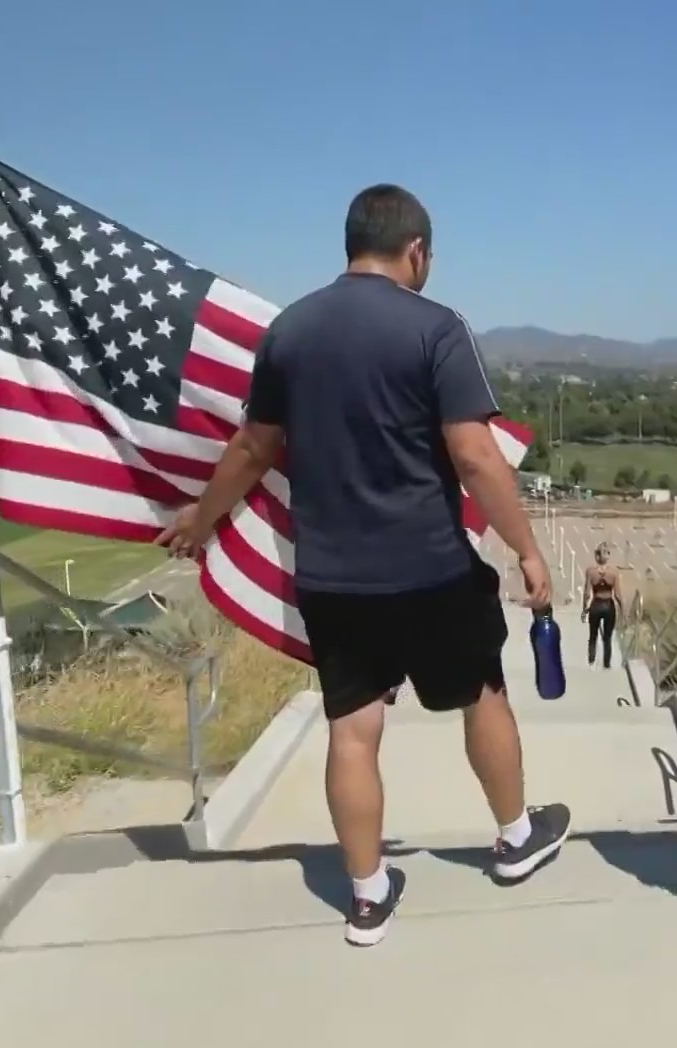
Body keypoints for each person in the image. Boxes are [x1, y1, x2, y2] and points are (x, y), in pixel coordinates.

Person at [157, 184, 572, 947]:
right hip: (433, 569)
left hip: (333, 576)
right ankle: (515, 839)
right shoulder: (438, 330)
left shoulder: (289, 331)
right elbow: (475, 455)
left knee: (352, 731)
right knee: (482, 694)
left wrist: (201, 518)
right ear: (416, 251)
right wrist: (527, 548)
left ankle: (367, 895)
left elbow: (253, 449)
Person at [582, 544, 621, 668]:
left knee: (593, 635)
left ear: (596, 556)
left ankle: (591, 660)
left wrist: (584, 609)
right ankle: (606, 664)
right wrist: (623, 610)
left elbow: (587, 592)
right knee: (608, 637)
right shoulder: (614, 572)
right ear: (608, 555)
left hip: (596, 604)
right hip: (608, 605)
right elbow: (618, 594)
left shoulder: (591, 571)